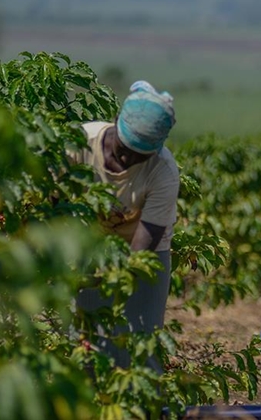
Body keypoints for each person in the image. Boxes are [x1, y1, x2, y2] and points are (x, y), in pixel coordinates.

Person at [70, 80, 180, 375]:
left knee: (141, 341)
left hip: (142, 252)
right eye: (124, 148)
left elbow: (142, 245)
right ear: (115, 121)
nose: (128, 159)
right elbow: (52, 201)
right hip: (87, 243)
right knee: (83, 341)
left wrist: (111, 280)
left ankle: (139, 396)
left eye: (140, 155)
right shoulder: (79, 142)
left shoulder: (163, 171)